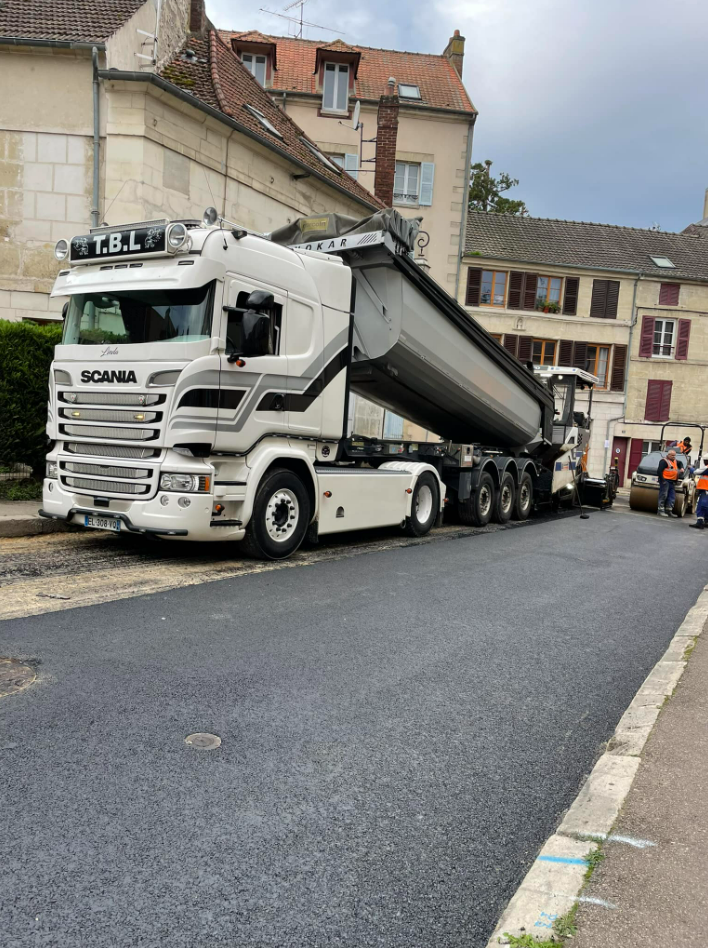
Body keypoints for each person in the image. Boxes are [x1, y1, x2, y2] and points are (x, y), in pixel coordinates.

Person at [657, 449, 683, 518]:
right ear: (668, 455)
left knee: (672, 496)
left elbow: (680, 463)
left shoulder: (675, 461)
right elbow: (659, 471)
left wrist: (682, 468)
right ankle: (660, 511)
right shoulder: (664, 461)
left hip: (672, 481)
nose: (673, 457)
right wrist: (663, 481)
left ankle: (669, 511)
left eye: (674, 455)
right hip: (665, 480)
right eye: (672, 455)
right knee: (663, 495)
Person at [690, 459, 708, 530]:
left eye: (705, 460)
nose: (704, 462)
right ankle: (706, 521)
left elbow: (695, 472)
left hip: (706, 490)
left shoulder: (706, 467)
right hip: (705, 490)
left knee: (702, 506)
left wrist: (690, 468)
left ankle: (700, 523)